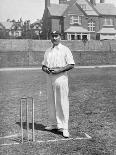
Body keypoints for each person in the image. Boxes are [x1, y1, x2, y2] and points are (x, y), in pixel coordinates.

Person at [42, 31, 75, 138]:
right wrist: (46, 69)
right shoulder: (48, 51)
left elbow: (71, 64)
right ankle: (54, 124)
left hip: (60, 77)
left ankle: (64, 128)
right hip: (49, 77)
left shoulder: (65, 49)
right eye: (52, 36)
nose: (54, 38)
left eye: (56, 36)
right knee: (51, 101)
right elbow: (43, 65)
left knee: (62, 101)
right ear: (50, 38)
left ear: (60, 37)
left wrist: (59, 70)